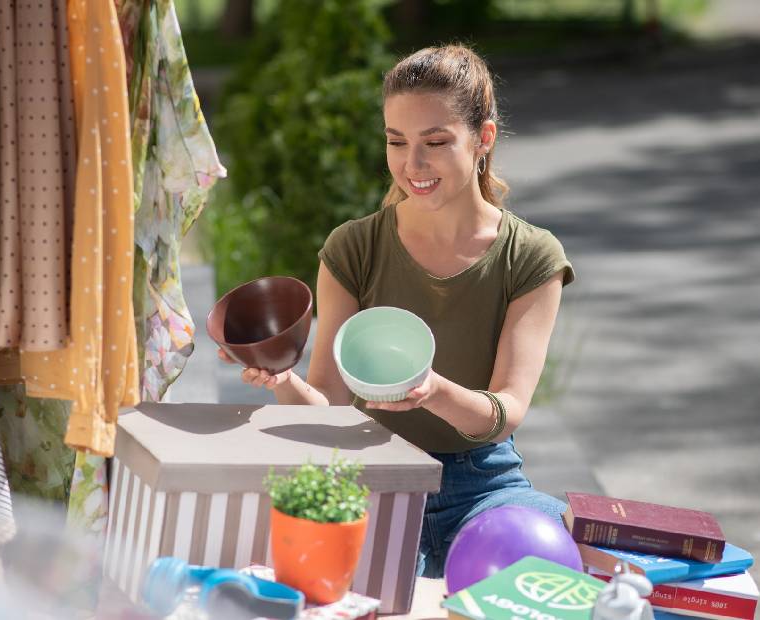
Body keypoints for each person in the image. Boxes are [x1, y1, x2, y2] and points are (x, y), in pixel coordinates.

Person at [218, 44, 575, 578]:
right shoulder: (353, 248)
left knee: (547, 565)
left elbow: (506, 413)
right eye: (396, 141)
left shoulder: (530, 255)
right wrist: (280, 379)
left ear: (484, 139)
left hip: (485, 485)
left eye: (435, 142)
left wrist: (432, 391)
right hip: (371, 476)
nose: (413, 165)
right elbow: (331, 407)